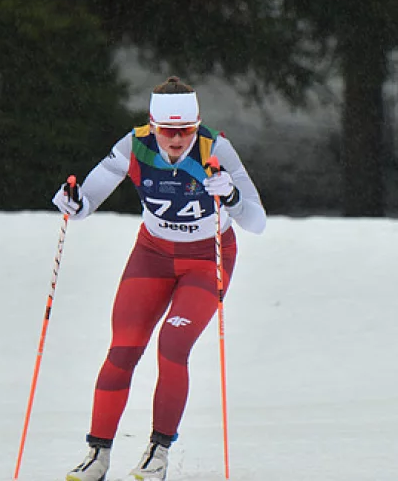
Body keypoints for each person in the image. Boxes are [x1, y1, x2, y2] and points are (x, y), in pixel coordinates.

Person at [52, 76, 266, 481]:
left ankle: (158, 451)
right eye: (168, 131)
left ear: (197, 123)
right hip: (152, 255)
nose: (176, 140)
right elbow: (86, 201)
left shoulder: (214, 147)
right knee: (123, 349)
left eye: (185, 130)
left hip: (206, 259)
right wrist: (72, 201)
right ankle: (97, 454)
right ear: (153, 126)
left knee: (172, 344)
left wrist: (233, 197)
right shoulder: (133, 145)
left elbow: (257, 222)